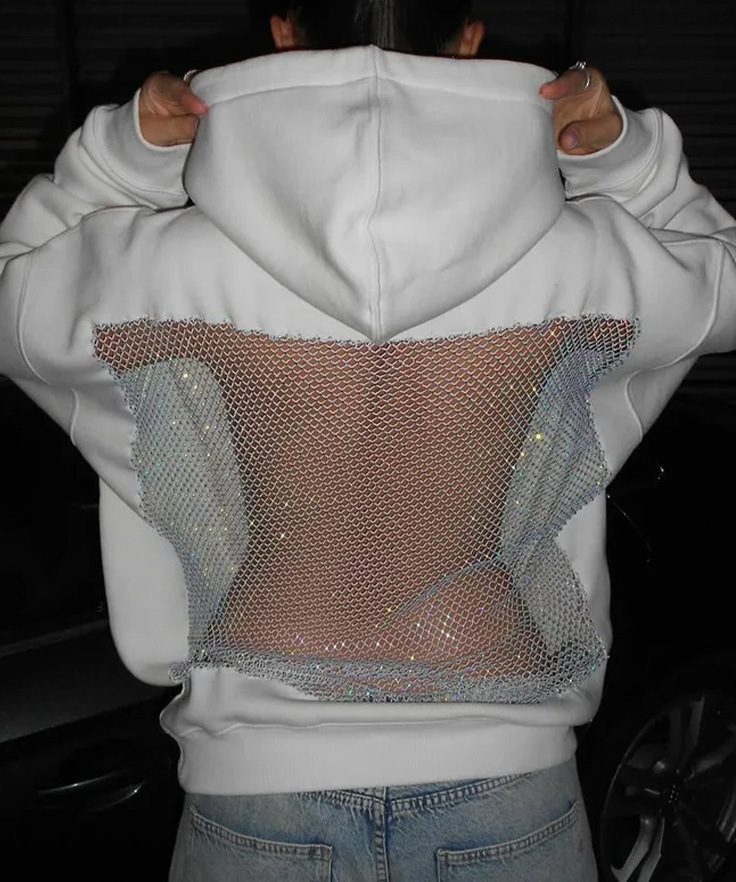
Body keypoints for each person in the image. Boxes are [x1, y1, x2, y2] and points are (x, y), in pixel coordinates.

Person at [1, 1, 734, 879]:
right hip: (507, 781)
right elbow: (719, 272)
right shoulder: (581, 260)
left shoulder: (163, 265)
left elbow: (14, 288)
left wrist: (119, 157)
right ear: (470, 36)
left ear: (283, 29)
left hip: (258, 789)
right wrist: (622, 155)